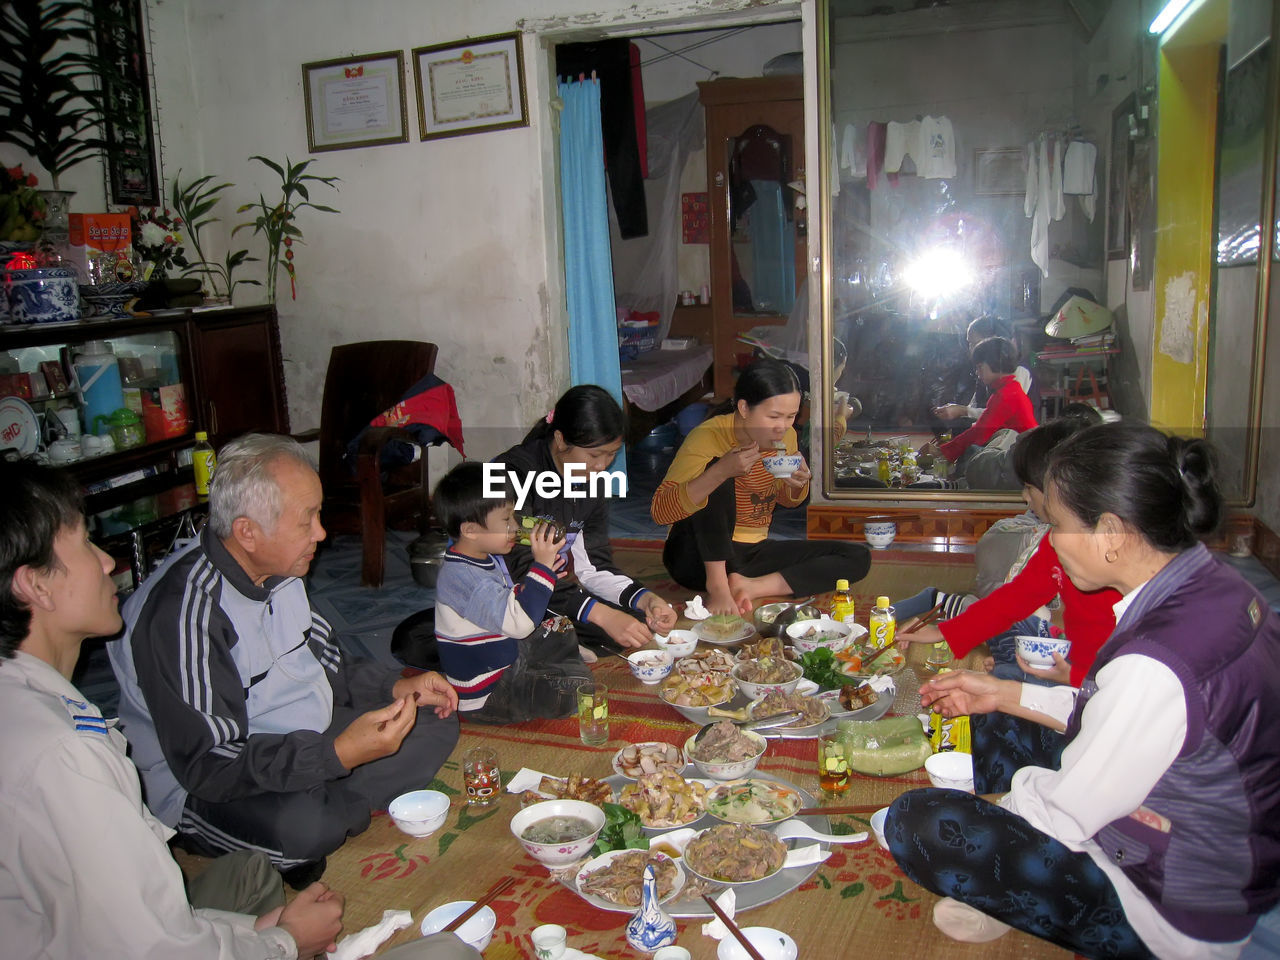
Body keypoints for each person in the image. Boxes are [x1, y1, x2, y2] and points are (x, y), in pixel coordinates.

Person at [886, 423, 1280, 959]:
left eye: (1058, 526)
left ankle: (1012, 890)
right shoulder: (1212, 584)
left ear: (1112, 532)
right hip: (1210, 844)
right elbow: (1121, 715)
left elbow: (1067, 813)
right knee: (998, 707)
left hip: (1175, 908)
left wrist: (999, 807)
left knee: (919, 820)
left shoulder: (1156, 661)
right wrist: (1002, 694)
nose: (1050, 542)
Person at [0, 459, 344, 959]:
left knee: (246, 879)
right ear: (36, 584)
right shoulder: (64, 757)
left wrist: (256, 934)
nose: (107, 563)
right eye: (84, 547)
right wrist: (284, 943)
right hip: (211, 781)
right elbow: (147, 949)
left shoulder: (34, 705)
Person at [110, 434, 460, 884]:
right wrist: (336, 754)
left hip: (300, 735)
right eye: (307, 520)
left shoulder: (282, 568)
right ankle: (315, 810)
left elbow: (330, 664)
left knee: (430, 720)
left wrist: (397, 687)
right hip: (210, 777)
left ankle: (330, 798)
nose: (321, 533)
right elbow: (209, 764)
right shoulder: (183, 614)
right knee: (307, 826)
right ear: (247, 532)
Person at [899, 413, 1117, 687]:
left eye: (1029, 487)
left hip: (1102, 681)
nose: (1025, 497)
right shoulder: (1057, 539)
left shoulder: (1111, 557)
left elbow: (1119, 666)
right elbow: (1018, 596)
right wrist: (945, 630)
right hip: (1074, 667)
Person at [651, 358, 871, 616]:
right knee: (717, 471)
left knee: (857, 557)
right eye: (774, 416)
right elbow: (660, 513)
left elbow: (787, 501)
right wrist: (721, 471)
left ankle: (751, 586)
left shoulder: (786, 436)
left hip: (749, 554)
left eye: (791, 416)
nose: (783, 427)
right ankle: (719, 586)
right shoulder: (708, 436)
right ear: (744, 408)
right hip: (695, 557)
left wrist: (797, 484)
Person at [495, 385, 677, 654]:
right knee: (604, 623)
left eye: (611, 454)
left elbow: (594, 565)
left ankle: (549, 642)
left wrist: (645, 599)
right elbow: (519, 569)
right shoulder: (510, 474)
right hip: (500, 593)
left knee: (633, 625)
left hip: (545, 592)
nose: (603, 466)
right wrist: (602, 614)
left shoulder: (593, 483)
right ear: (560, 439)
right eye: (594, 455)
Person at [431, 461, 592, 723]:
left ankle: (560, 662)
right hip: (489, 691)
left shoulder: (475, 557)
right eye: (506, 519)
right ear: (470, 530)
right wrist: (540, 569)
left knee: (559, 625)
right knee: (575, 692)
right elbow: (518, 625)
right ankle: (562, 667)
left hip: (502, 654)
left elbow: (500, 602)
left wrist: (544, 577)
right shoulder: (464, 578)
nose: (516, 528)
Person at [920, 336, 1037, 467]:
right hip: (1026, 454)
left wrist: (941, 451)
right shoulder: (1010, 389)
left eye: (980, 367)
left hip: (1025, 460)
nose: (977, 372)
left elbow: (980, 433)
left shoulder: (1006, 395)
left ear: (996, 364)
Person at [933, 315, 1033, 425]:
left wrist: (963, 411)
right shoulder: (986, 372)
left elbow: (999, 415)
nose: (971, 350)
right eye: (969, 344)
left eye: (975, 343)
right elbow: (974, 408)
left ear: (994, 341)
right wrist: (956, 410)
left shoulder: (1018, 371)